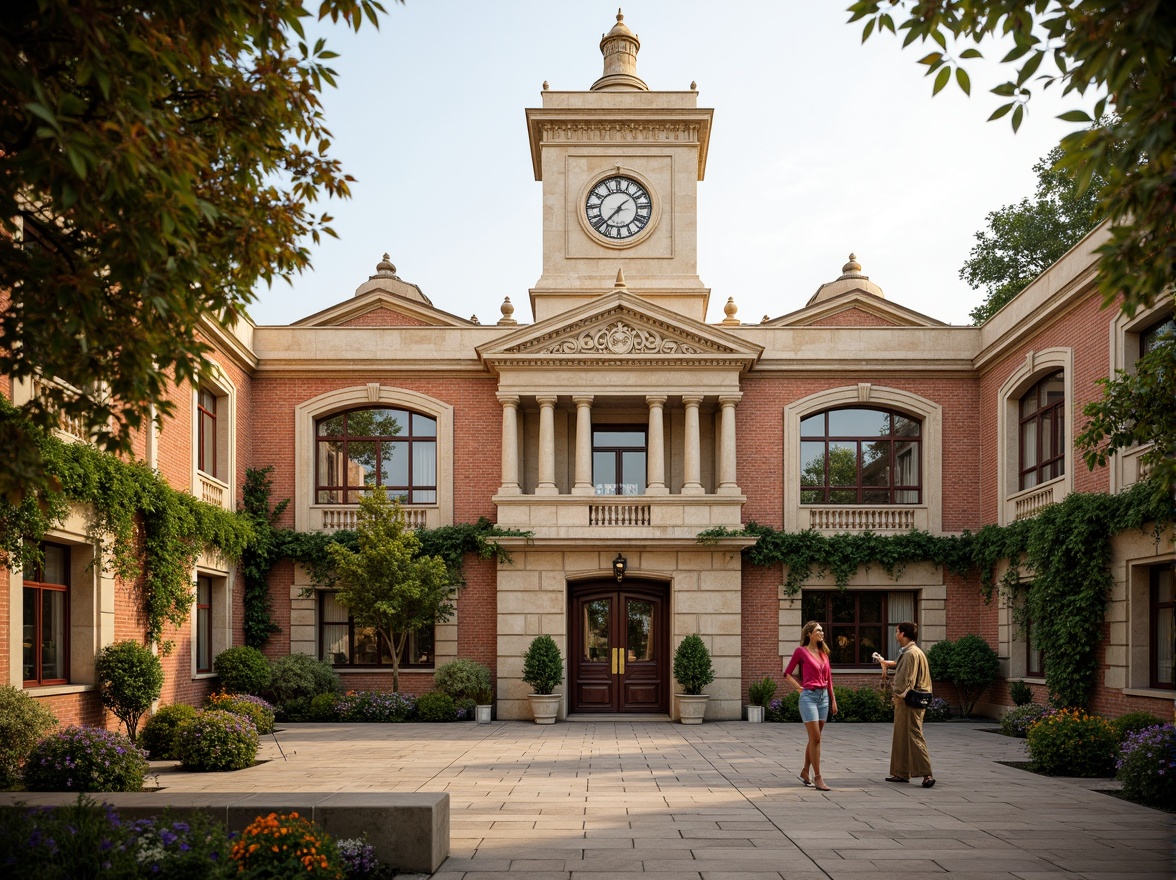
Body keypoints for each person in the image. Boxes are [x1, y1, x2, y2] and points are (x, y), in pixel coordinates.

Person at [876, 620, 935, 787]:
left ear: (903, 633)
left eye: (897, 632)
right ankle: (900, 772)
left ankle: (927, 774)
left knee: (913, 735)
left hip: (908, 701)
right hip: (911, 700)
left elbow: (905, 680)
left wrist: (894, 693)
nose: (896, 635)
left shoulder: (910, 653)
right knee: (901, 736)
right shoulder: (914, 651)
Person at [783, 620, 838, 791]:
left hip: (823, 699)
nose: (821, 633)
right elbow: (787, 673)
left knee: (815, 738)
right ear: (809, 634)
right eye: (818, 630)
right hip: (808, 698)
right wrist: (799, 688)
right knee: (816, 738)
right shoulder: (801, 651)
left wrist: (833, 700)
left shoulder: (823, 653)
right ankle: (818, 777)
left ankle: (805, 771)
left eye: (822, 631)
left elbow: (829, 679)